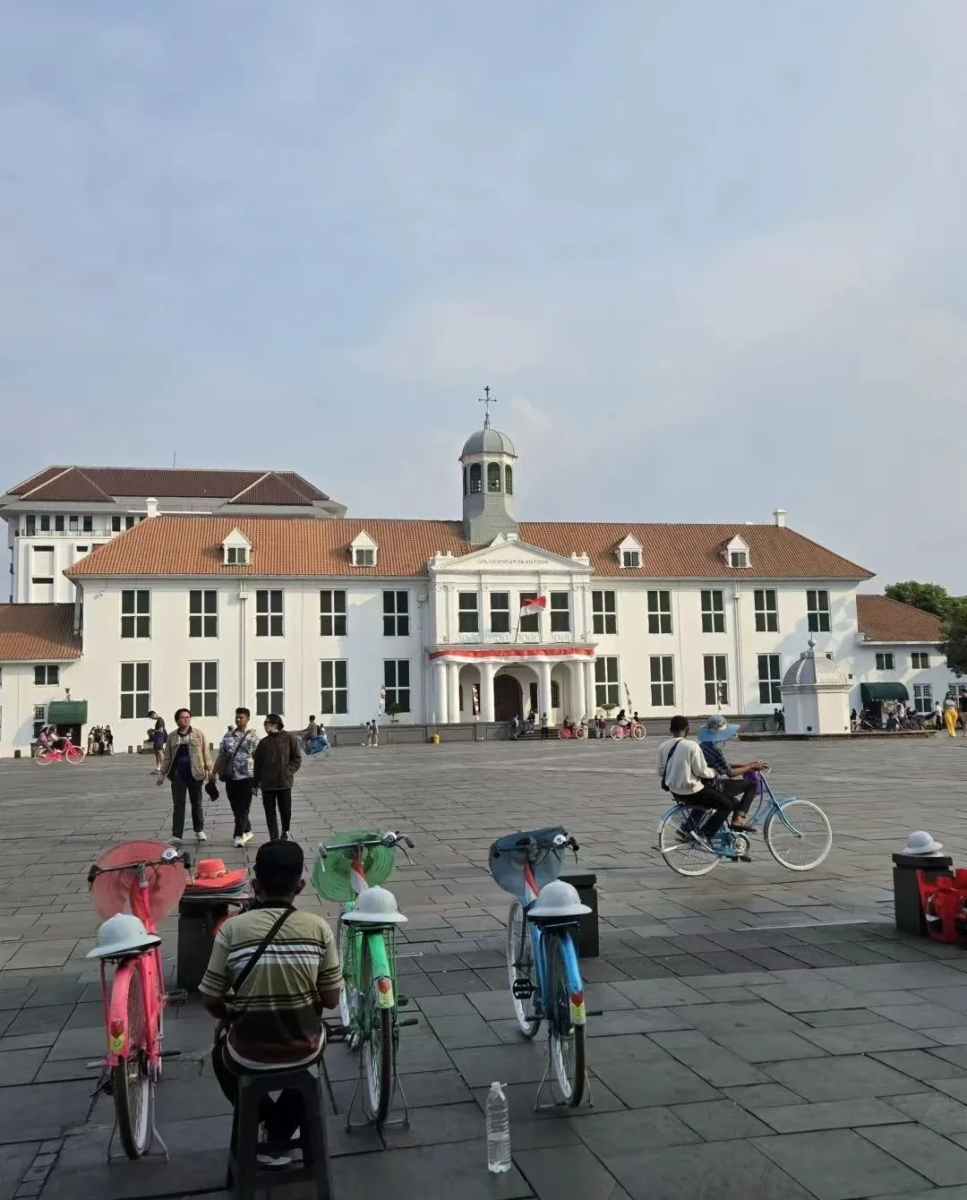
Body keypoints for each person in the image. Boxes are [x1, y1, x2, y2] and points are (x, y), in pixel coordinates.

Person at [199, 840, 341, 1169]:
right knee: (313, 1056)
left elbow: (210, 998)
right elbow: (332, 999)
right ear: (300, 886)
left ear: (255, 885)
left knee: (221, 1057)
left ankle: (263, 1118)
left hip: (247, 1050)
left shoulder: (232, 930)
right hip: (302, 1047)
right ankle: (280, 1130)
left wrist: (228, 1014)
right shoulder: (318, 928)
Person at [657, 715, 739, 851]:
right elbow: (701, 771)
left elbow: (661, 771)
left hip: (675, 791)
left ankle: (689, 828)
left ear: (671, 730)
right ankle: (706, 834)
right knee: (727, 805)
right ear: (687, 729)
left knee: (711, 800)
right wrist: (714, 772)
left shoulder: (663, 746)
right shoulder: (692, 746)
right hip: (693, 791)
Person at [696, 715, 762, 832]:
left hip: (704, 783)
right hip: (714, 785)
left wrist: (746, 765)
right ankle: (739, 820)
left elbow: (722, 765)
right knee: (751, 785)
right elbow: (730, 773)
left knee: (737, 804)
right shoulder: (715, 750)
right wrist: (751, 766)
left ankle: (735, 829)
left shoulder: (703, 746)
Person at [158, 708, 211, 845]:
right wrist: (162, 774)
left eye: (188, 717)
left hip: (195, 773)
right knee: (178, 804)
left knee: (197, 803)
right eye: (182, 717)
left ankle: (199, 830)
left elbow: (206, 754)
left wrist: (210, 770)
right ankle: (176, 835)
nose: (186, 719)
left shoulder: (198, 734)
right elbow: (167, 758)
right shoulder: (172, 736)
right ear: (177, 720)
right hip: (178, 774)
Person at [214, 708, 259, 848]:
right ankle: (247, 829)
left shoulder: (253, 737)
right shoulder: (228, 736)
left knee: (243, 807)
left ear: (248, 718)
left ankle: (238, 835)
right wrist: (213, 772)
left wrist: (260, 777)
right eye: (237, 717)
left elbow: (259, 757)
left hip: (247, 777)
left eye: (241, 717)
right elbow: (222, 755)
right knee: (235, 806)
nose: (238, 719)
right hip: (231, 777)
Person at [253, 714, 301, 842]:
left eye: (266, 723)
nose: (264, 725)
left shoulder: (289, 738)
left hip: (284, 782)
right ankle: (273, 838)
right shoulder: (263, 743)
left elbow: (297, 758)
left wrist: (288, 771)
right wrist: (255, 783)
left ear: (275, 724)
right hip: (267, 784)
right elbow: (257, 764)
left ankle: (285, 831)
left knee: (285, 810)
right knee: (270, 813)